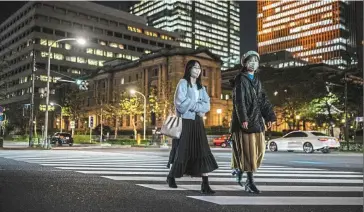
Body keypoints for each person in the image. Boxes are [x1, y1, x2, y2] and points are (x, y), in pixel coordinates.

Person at [166, 59, 218, 194]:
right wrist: (197, 106)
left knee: (202, 150)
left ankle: (205, 184)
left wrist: (194, 106)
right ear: (189, 69)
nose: (198, 70)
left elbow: (207, 105)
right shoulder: (183, 83)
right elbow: (180, 103)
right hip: (185, 122)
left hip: (198, 122)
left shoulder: (201, 87)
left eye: (199, 68)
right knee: (182, 150)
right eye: (195, 68)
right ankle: (171, 176)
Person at [230, 50, 276, 194]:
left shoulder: (257, 80)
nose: (253, 63)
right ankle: (249, 182)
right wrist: (243, 118)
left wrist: (270, 116)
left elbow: (263, 100)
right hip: (245, 122)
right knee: (249, 153)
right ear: (244, 63)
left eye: (256, 61)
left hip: (257, 121)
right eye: (250, 61)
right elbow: (239, 101)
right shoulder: (240, 79)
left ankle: (239, 169)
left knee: (260, 151)